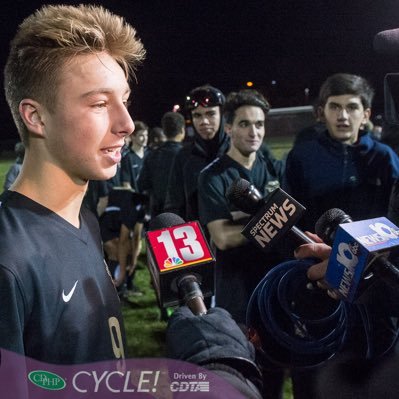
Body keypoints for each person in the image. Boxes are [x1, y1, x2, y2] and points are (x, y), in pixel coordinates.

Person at [0, 4, 145, 363]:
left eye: (124, 100)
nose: (126, 123)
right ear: (36, 117)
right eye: (99, 103)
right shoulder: (9, 259)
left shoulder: (83, 222)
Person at [197, 89, 285, 398]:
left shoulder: (275, 169)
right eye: (245, 124)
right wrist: (273, 222)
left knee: (275, 376)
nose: (254, 132)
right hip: (236, 295)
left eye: (259, 124)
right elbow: (221, 237)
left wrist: (255, 226)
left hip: (275, 290)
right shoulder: (214, 177)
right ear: (229, 128)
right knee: (243, 378)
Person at [283, 73, 399, 232]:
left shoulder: (384, 157)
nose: (342, 116)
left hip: (373, 255)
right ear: (322, 112)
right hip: (315, 254)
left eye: (351, 107)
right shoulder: (300, 157)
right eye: (334, 106)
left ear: (366, 115)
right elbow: (288, 222)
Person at [164, 84, 230, 222]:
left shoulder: (238, 151)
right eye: (197, 115)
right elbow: (174, 206)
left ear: (222, 114)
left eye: (210, 114)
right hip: (197, 240)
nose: (204, 121)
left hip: (237, 238)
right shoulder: (183, 157)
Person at [138, 111, 186, 218]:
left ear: (164, 131)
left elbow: (142, 184)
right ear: (182, 130)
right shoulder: (188, 156)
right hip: (184, 219)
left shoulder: (151, 155)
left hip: (159, 217)